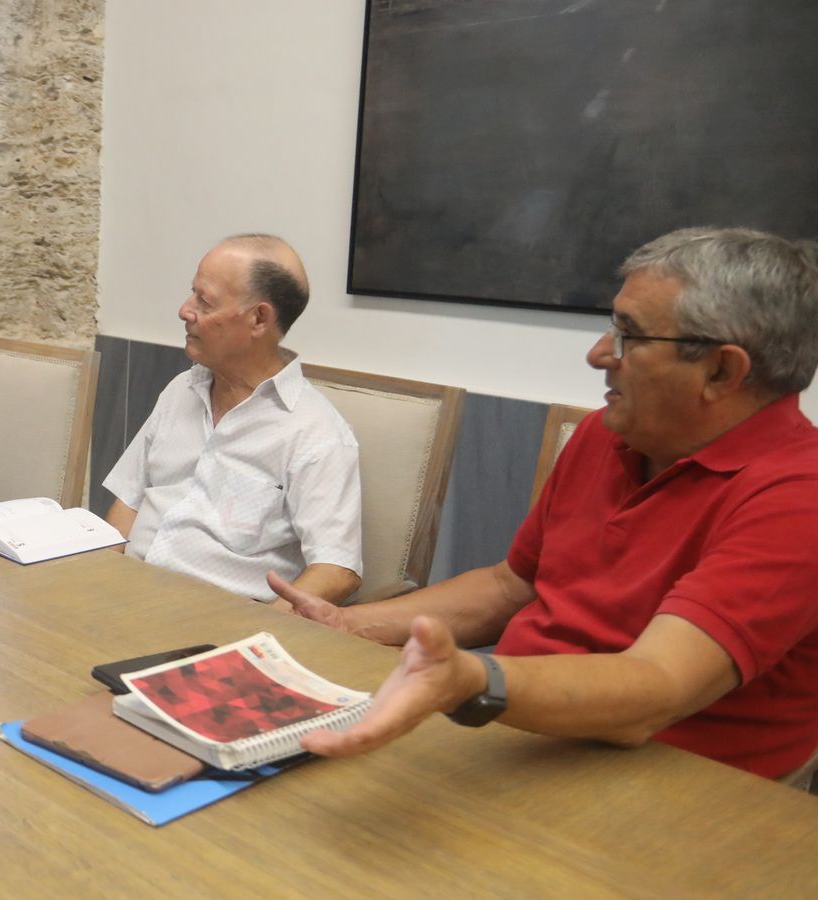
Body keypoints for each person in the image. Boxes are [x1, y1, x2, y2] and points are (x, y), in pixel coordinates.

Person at [271, 227, 818, 780]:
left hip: (678, 784)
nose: (599, 354)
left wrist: (476, 683)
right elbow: (513, 585)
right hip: (529, 736)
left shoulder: (799, 498)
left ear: (722, 371)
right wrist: (347, 624)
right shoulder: (610, 433)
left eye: (629, 336)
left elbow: (655, 689)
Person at [103, 234, 363, 603]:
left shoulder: (314, 432)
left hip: (217, 627)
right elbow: (128, 502)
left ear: (259, 318)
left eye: (204, 301)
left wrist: (259, 635)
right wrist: (100, 587)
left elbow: (337, 570)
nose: (184, 310)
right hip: (127, 599)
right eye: (192, 292)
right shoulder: (181, 390)